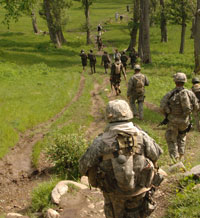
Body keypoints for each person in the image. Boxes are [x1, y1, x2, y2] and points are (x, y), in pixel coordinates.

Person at [79, 99, 163, 218]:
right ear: (128, 113)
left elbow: (83, 166)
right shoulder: (142, 136)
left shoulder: (100, 141)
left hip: (113, 194)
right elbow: (156, 154)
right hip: (139, 191)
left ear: (109, 116)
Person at [160, 72, 199, 162]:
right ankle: (181, 156)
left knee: (171, 138)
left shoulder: (170, 94)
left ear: (175, 81)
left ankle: (175, 159)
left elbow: (162, 106)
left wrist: (168, 113)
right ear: (184, 81)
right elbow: (196, 107)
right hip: (185, 121)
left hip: (172, 121)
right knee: (182, 136)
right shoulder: (190, 93)